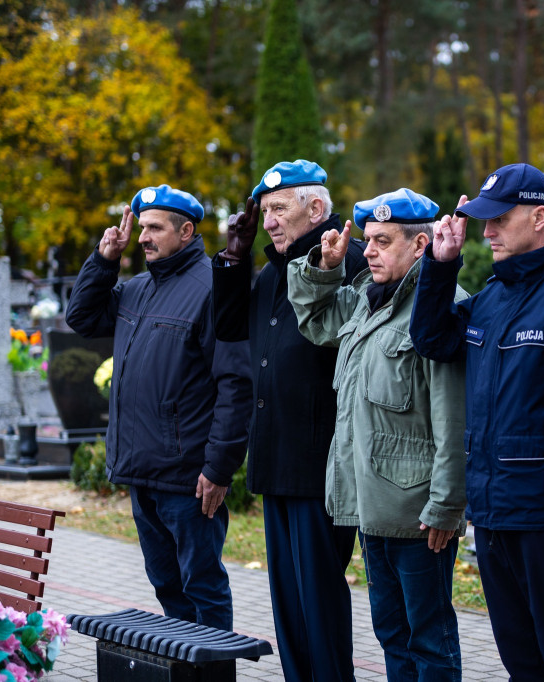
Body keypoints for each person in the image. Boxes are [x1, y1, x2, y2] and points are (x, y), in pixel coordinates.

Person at [409, 163, 544, 680]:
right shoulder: (493, 294)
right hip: (492, 511)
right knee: (519, 659)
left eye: (499, 218)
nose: (487, 230)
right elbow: (433, 341)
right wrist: (440, 265)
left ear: (539, 217)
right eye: (483, 219)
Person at [287, 188, 468, 681]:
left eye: (382, 241)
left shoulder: (441, 308)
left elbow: (453, 419)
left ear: (421, 246)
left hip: (418, 513)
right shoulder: (367, 300)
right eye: (368, 239)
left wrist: (447, 505)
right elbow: (317, 320)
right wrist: (323, 269)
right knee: (391, 633)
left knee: (428, 638)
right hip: (371, 505)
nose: (367, 250)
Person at [66, 184, 252, 630]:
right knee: (166, 585)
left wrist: (219, 468)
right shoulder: (136, 287)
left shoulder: (212, 288)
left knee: (202, 587)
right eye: (141, 227)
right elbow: (82, 317)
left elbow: (236, 383)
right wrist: (105, 259)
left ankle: (212, 672)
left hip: (188, 478)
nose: (143, 237)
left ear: (186, 231)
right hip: (141, 471)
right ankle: (185, 670)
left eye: (154, 228)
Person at [212, 160, 366, 681]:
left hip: (321, 459)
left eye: (280, 209)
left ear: (316, 209)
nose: (270, 221)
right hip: (278, 455)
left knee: (318, 597)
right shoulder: (274, 269)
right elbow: (230, 327)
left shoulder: (349, 259)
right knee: (287, 601)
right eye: (266, 211)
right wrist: (234, 256)